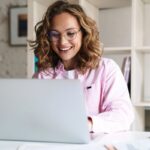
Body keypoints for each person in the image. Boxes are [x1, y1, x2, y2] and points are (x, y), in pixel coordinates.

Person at [29, 0, 134, 133]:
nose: (62, 42)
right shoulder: (42, 76)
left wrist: (88, 123)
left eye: (71, 33)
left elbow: (123, 115)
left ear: (84, 33)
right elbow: (34, 118)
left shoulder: (106, 69)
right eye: (55, 34)